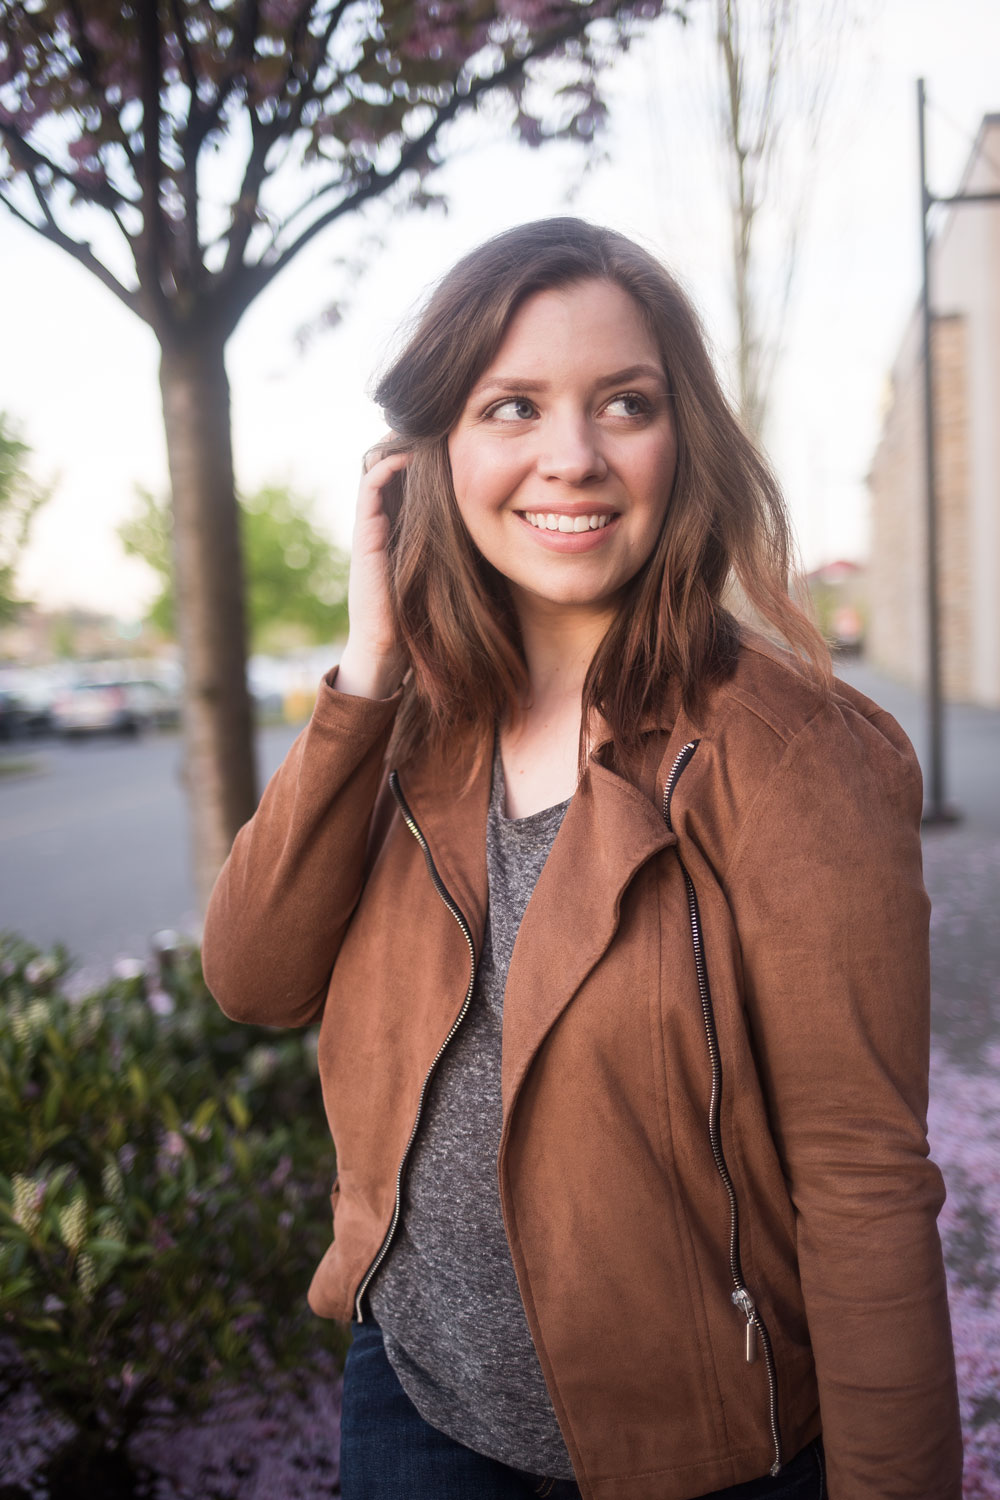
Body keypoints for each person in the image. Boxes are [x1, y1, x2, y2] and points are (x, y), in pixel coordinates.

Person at [202, 218, 962, 1500]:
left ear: (685, 440)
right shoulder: (410, 723)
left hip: (699, 1454)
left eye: (625, 403)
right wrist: (370, 669)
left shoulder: (789, 754)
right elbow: (253, 978)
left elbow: (862, 1179)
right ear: (432, 452)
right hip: (415, 1402)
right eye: (512, 405)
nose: (574, 457)